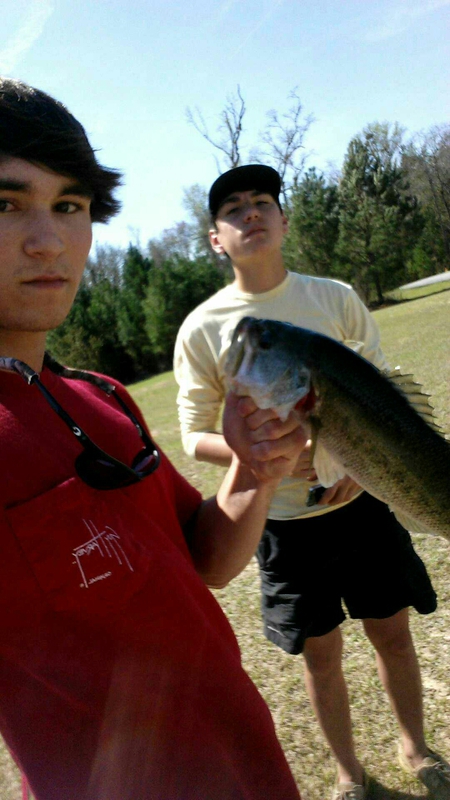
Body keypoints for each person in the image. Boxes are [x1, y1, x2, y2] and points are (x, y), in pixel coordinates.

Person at [0, 80, 309, 800]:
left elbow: (205, 560)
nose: (49, 241)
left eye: (69, 206)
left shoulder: (102, 396)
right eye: (5, 204)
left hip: (254, 766)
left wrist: (255, 470)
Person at [174, 163, 450, 800]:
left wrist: (351, 461)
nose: (251, 213)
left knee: (393, 634)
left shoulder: (334, 297)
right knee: (321, 659)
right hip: (284, 526)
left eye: (263, 201)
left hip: (366, 508)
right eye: (233, 208)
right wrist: (261, 461)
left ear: (284, 219)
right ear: (216, 238)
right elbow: (191, 435)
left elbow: (385, 399)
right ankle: (349, 774)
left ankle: (416, 748)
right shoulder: (203, 329)